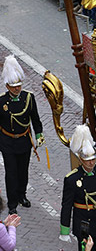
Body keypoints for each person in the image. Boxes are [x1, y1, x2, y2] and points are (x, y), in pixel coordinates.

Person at [59, 124, 96, 251]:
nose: (91, 163)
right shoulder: (72, 179)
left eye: (93, 159)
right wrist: (65, 230)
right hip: (85, 226)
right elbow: (67, 205)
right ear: (81, 159)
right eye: (87, 160)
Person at [0, 56, 43, 216]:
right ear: (7, 86)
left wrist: (39, 134)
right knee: (11, 173)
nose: (17, 89)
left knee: (23, 171)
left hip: (24, 140)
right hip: (8, 142)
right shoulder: (1, 102)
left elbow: (35, 119)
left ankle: (21, 195)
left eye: (18, 86)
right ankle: (12, 203)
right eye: (13, 86)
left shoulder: (29, 98)